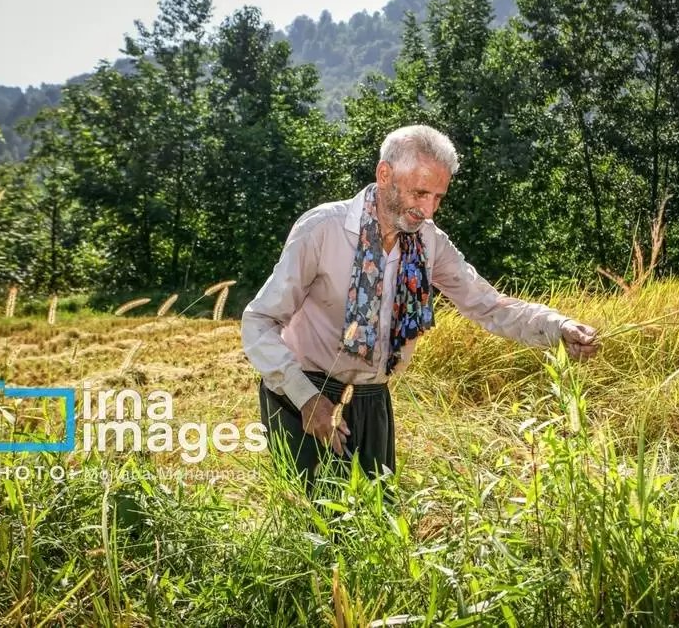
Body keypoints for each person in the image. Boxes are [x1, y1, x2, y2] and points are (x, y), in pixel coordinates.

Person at [240, 125, 600, 487]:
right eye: (420, 193)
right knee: (314, 527)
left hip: (370, 400)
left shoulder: (429, 242)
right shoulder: (322, 230)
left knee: (374, 529)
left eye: (438, 197)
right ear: (384, 175)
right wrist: (307, 399)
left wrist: (558, 327)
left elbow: (489, 305)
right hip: (301, 394)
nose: (427, 210)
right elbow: (259, 322)